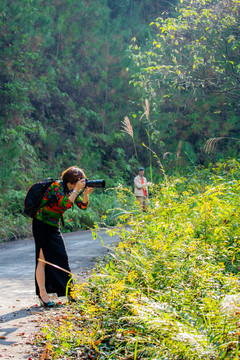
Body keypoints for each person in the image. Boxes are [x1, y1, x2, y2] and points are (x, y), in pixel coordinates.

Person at [32, 166, 93, 307]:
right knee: (42, 259)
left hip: (54, 225)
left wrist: (86, 193)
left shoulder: (71, 190)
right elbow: (65, 204)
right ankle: (43, 295)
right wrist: (77, 189)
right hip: (41, 223)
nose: (77, 185)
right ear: (70, 181)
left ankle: (71, 293)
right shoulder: (56, 187)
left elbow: (82, 206)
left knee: (62, 257)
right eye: (76, 182)